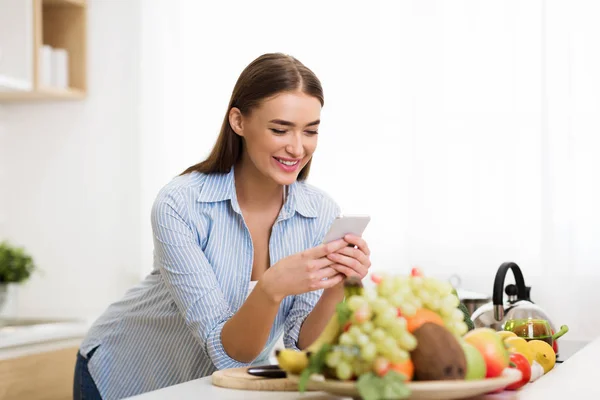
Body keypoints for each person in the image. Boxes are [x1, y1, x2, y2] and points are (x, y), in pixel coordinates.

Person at [73, 53, 372, 400]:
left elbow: (303, 344)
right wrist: (270, 288)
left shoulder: (320, 212)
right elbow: (228, 352)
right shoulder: (180, 204)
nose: (297, 147)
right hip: (125, 374)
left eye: (311, 131)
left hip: (206, 388)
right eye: (280, 129)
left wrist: (339, 285)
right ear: (238, 121)